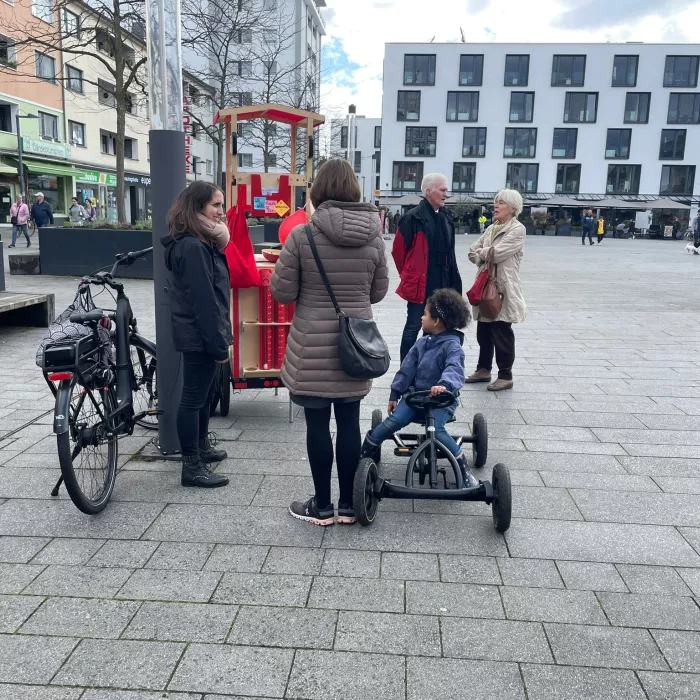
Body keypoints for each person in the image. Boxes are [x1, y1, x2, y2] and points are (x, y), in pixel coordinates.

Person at [271, 158, 388, 526]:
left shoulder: (302, 236)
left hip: (312, 347)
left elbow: (282, 292)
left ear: (318, 191)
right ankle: (350, 506)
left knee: (317, 426)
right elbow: (378, 292)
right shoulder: (373, 236)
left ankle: (322, 507)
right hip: (356, 345)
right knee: (350, 423)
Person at [361, 288, 475, 481]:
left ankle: (463, 469)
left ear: (436, 322)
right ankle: (367, 450)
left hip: (441, 401)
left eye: (425, 314)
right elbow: (407, 369)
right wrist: (395, 393)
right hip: (416, 397)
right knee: (393, 421)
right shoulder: (421, 344)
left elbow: (454, 368)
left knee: (438, 431)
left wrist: (444, 386)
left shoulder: (453, 346)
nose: (421, 318)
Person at [163, 181, 233, 489]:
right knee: (193, 399)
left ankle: (202, 448)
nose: (221, 211)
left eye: (221, 205)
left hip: (201, 331)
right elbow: (204, 301)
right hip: (199, 334)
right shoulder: (193, 246)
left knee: (204, 395)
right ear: (197, 207)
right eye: (215, 205)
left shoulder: (200, 241)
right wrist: (218, 344)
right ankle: (192, 465)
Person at [393, 173, 462, 362]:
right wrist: (409, 275)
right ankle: (406, 367)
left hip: (443, 281)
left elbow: (451, 252)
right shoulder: (412, 218)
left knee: (436, 326)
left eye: (446, 190)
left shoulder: (446, 217)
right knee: (413, 325)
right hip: (420, 282)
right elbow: (398, 252)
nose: (446, 194)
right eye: (443, 190)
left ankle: (426, 366)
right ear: (429, 191)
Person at [467, 189, 526, 392]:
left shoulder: (517, 229)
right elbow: (471, 251)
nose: (496, 206)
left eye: (501, 203)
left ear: (512, 208)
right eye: (496, 202)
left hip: (503, 288)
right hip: (485, 286)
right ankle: (483, 369)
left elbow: (498, 254)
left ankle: (505, 375)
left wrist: (483, 253)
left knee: (501, 331)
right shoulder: (491, 228)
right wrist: (483, 254)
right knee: (483, 331)